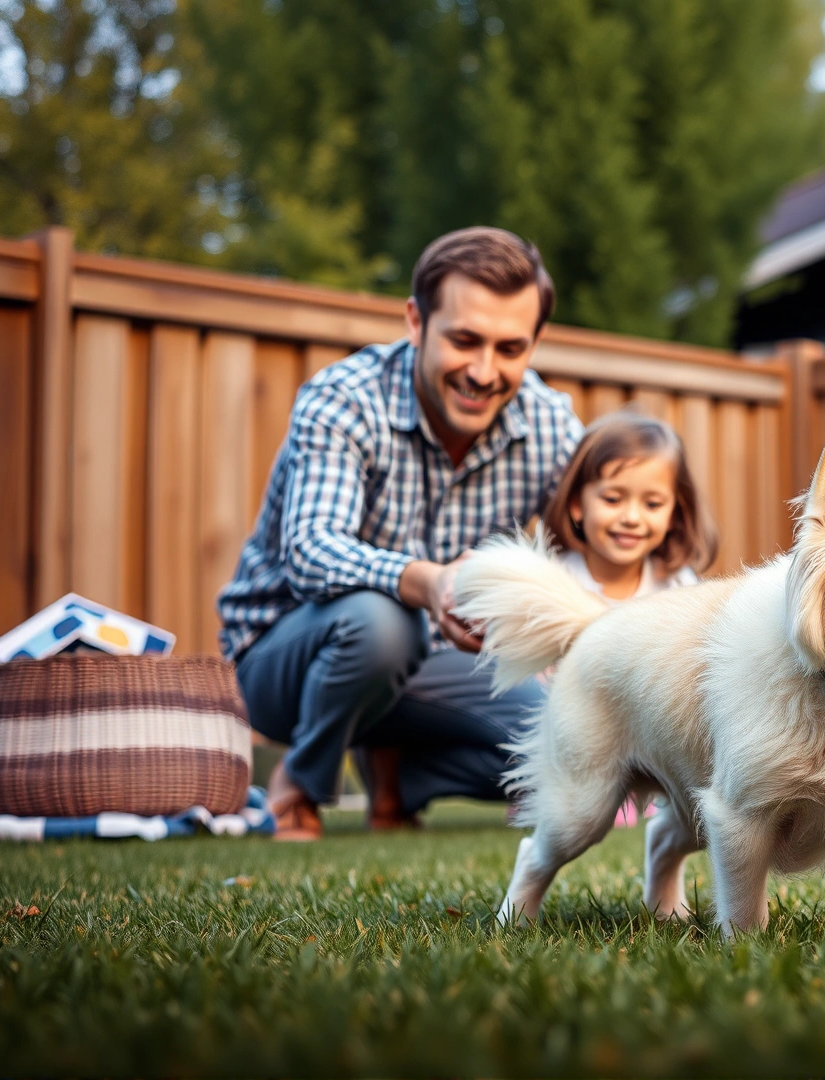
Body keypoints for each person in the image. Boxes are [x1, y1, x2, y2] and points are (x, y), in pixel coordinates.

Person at [217, 227, 584, 841]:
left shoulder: (548, 424)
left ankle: (399, 778)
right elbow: (310, 551)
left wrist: (554, 645)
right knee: (384, 620)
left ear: (535, 343)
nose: (484, 371)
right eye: (464, 340)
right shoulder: (345, 400)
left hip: (439, 667)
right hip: (286, 655)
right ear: (416, 322)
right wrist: (428, 582)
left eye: (510, 348)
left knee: (565, 738)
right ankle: (299, 784)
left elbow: (587, 553)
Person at [540, 411, 717, 601]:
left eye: (652, 504)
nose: (631, 518)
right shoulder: (553, 582)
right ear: (577, 505)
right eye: (612, 500)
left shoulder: (679, 587)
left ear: (674, 515)